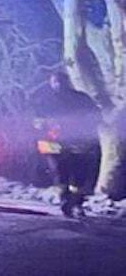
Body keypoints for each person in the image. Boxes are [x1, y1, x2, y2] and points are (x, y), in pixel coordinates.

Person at [33, 70, 100, 218]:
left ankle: (76, 202)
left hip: (77, 143)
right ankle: (66, 201)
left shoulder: (81, 99)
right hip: (53, 144)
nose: (58, 85)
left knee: (78, 175)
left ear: (67, 83)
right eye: (55, 82)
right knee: (59, 173)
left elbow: (94, 117)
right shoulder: (44, 101)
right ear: (51, 83)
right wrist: (48, 126)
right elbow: (36, 122)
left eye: (60, 82)